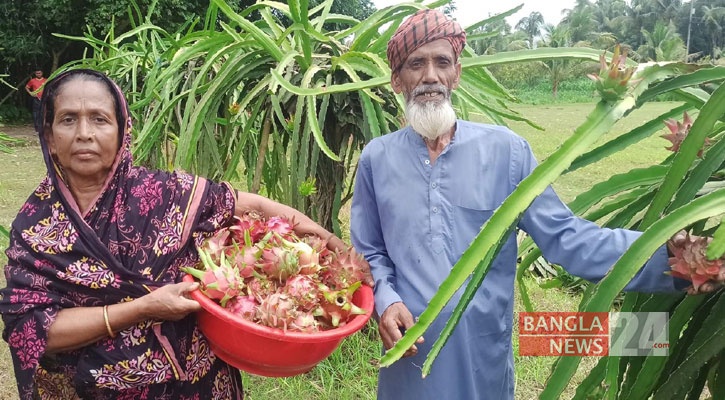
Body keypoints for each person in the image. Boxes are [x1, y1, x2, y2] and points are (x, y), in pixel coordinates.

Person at [350, 9, 723, 400]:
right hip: (408, 354)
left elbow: (566, 237)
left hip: (482, 354)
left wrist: (678, 261)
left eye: (442, 62)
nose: (430, 76)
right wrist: (387, 302)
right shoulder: (377, 159)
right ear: (397, 81)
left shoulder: (506, 151)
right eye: (415, 64)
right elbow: (370, 251)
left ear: (456, 74)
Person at [1, 69, 349, 399]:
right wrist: (142, 308)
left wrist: (324, 238)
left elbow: (246, 205)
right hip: (91, 389)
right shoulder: (36, 227)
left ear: (123, 130)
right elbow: (32, 330)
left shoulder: (164, 193)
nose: (84, 133)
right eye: (67, 120)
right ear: (49, 136)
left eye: (100, 119)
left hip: (196, 385)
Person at [25, 68, 47, 134]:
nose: (38, 74)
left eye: (39, 73)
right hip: (36, 99)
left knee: (44, 114)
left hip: (44, 99)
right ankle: (37, 130)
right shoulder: (32, 81)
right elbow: (26, 87)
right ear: (35, 73)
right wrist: (31, 93)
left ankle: (44, 129)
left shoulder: (46, 80)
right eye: (37, 73)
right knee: (36, 115)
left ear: (42, 73)